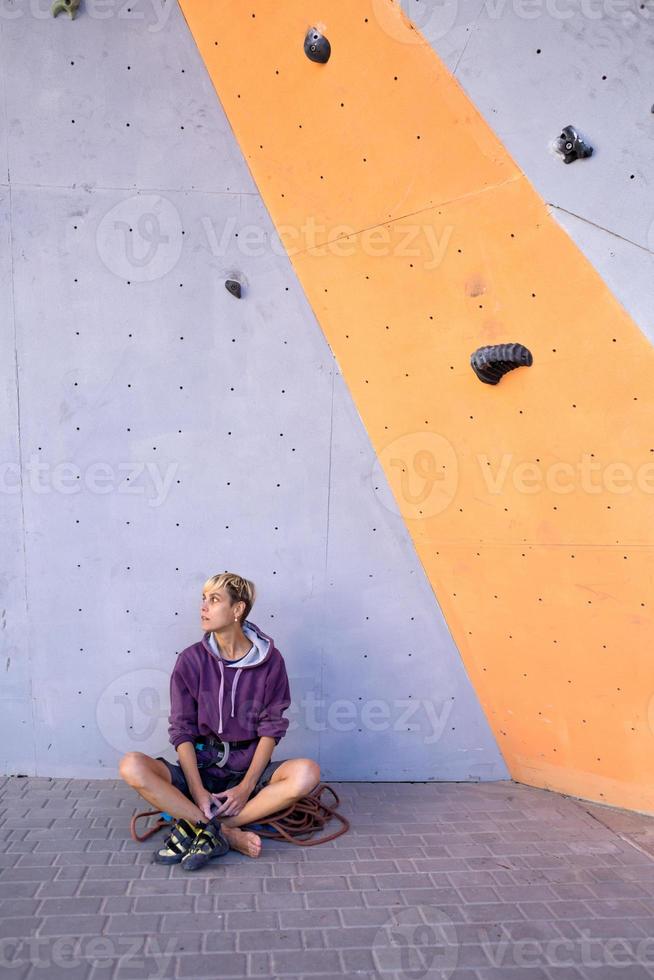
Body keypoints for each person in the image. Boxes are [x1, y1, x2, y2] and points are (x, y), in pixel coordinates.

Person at [119, 571, 320, 871]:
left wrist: (246, 786)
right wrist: (198, 790)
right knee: (132, 766)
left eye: (214, 600)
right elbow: (182, 730)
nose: (203, 607)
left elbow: (271, 728)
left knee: (307, 773)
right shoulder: (191, 660)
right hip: (201, 768)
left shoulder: (271, 661)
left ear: (238, 609)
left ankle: (217, 826)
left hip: (247, 770)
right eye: (203, 599)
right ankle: (218, 831)